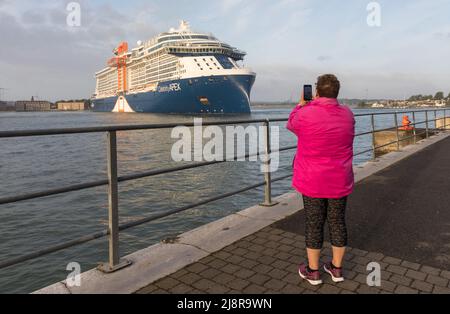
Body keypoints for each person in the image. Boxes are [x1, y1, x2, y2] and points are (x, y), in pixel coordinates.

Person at [286, 74, 355, 286]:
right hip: (339, 179)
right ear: (337, 92)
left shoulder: (306, 113)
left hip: (312, 179)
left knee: (314, 224)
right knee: (337, 222)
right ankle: (336, 269)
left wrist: (300, 105)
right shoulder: (348, 114)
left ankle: (313, 272)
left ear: (316, 91)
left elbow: (291, 124)